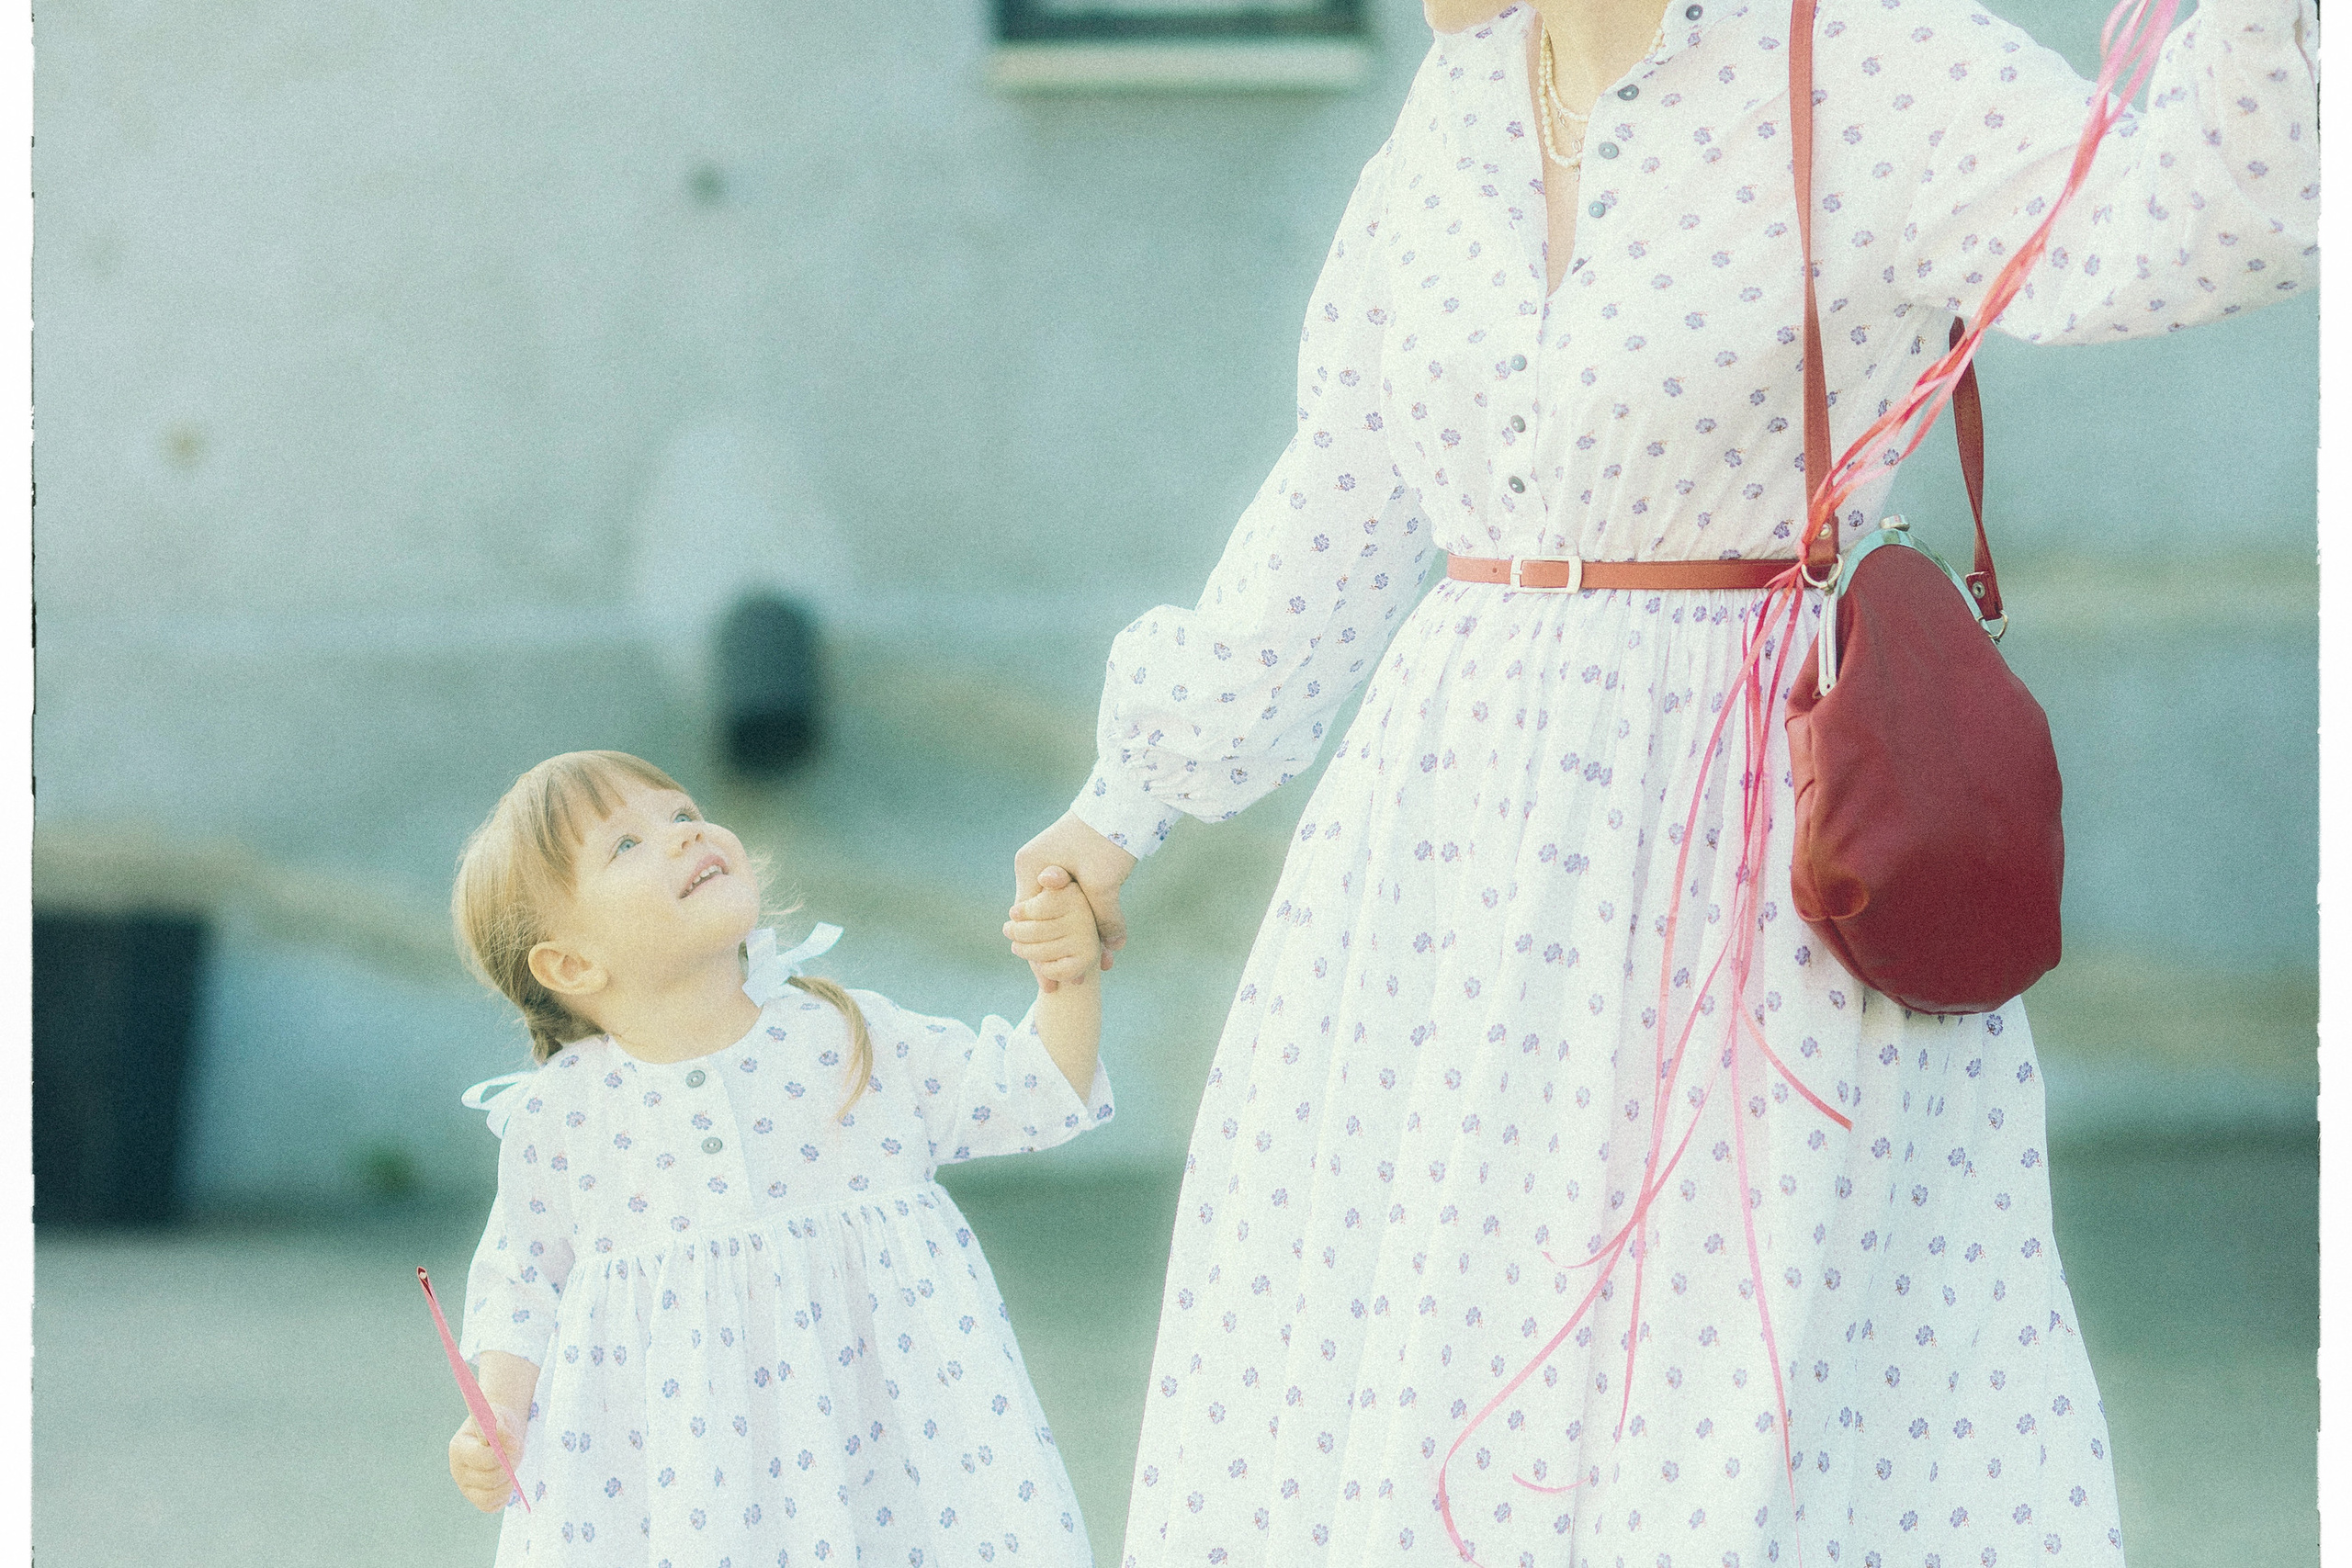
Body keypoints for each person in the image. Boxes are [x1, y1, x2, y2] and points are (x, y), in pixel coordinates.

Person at [1011, 0, 2317, 1562]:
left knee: (1728, 1411)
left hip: (1747, 862)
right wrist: (1130, 794)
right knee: (1442, 1366)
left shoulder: (1868, 59)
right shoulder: (1457, 108)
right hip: (1444, 870)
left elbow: (2192, 225)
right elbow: (1345, 492)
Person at [443, 750, 1114, 1565]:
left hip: (894, 1460)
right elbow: (519, 1282)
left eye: (682, 813)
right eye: (625, 844)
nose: (683, 835)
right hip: (686, 1487)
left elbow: (1037, 1089)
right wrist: (499, 1415)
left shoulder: (846, 1035)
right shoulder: (561, 1115)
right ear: (571, 964)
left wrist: (1069, 973)